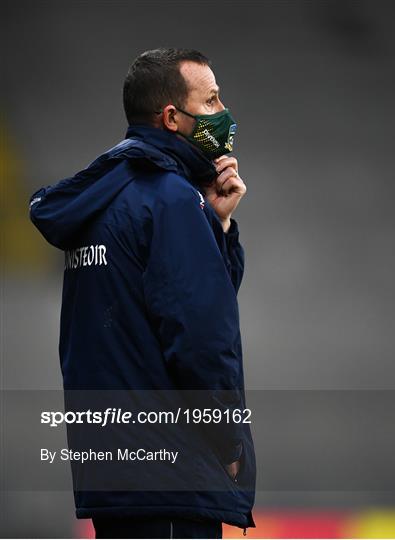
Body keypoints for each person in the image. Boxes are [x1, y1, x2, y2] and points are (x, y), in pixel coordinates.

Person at [30, 48, 256, 539]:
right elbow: (201, 339)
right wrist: (230, 445)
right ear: (172, 118)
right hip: (171, 477)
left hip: (115, 472)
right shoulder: (170, 199)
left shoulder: (103, 199)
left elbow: (167, 308)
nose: (224, 113)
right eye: (212, 100)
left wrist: (217, 225)